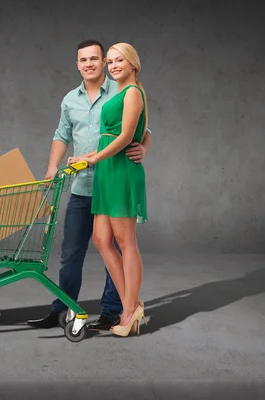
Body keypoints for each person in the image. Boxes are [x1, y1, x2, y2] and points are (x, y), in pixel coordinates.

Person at [27, 40, 152, 331]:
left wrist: (143, 148)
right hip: (83, 184)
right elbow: (61, 135)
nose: (90, 64)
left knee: (119, 245)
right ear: (77, 65)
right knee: (74, 251)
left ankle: (115, 310)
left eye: (96, 58)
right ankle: (64, 308)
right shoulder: (70, 99)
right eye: (84, 60)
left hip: (112, 180)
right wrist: (51, 167)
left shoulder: (120, 89)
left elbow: (141, 129)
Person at [75, 42, 149, 337]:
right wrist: (87, 156)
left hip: (119, 170)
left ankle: (128, 311)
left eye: (120, 61)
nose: (113, 66)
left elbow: (128, 135)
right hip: (108, 170)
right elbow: (117, 134)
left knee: (124, 240)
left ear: (133, 64)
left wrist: (94, 157)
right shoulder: (120, 93)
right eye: (111, 62)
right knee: (101, 238)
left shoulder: (132, 93)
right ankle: (132, 303)